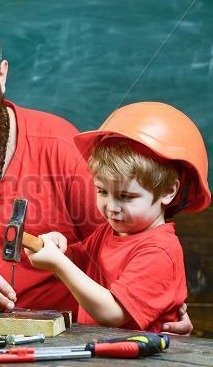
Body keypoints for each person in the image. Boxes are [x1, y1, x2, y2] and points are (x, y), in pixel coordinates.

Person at [0, 6, 191, 333]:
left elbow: (125, 246)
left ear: (1, 76)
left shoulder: (62, 145)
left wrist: (157, 306)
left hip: (77, 340)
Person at [25, 102, 211, 332]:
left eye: (125, 196)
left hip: (142, 366)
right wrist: (59, 248)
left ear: (167, 191)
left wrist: (58, 263)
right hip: (102, 357)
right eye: (102, 191)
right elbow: (81, 262)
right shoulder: (111, 231)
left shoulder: (159, 252)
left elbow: (112, 314)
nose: (111, 207)